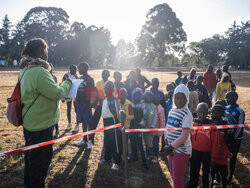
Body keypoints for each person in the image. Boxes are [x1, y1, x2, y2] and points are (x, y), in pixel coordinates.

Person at [19, 38, 72, 188]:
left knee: (31, 161)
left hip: (30, 122)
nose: (47, 52)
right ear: (40, 52)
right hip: (41, 126)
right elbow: (56, 93)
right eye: (45, 49)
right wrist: (67, 83)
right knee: (40, 164)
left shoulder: (25, 68)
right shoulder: (39, 71)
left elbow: (45, 89)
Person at [164, 84, 193, 188]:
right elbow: (167, 128)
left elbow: (184, 136)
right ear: (173, 98)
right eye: (177, 98)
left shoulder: (187, 114)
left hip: (182, 151)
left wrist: (171, 147)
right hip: (170, 149)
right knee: (173, 176)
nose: (179, 101)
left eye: (182, 98)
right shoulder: (172, 111)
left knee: (177, 179)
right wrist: (167, 143)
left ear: (187, 99)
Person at [187, 103, 213, 188]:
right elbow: (189, 137)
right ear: (196, 112)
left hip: (207, 152)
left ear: (207, 113)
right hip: (195, 152)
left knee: (206, 172)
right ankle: (192, 185)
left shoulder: (211, 125)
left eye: (204, 112)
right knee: (194, 171)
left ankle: (206, 185)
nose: (202, 114)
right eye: (200, 112)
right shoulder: (193, 123)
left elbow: (213, 139)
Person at [98, 81, 122, 170]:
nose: (107, 89)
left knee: (115, 142)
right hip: (106, 121)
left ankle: (117, 162)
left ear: (112, 89)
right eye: (106, 88)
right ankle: (106, 158)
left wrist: (119, 124)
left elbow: (119, 113)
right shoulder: (105, 98)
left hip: (113, 121)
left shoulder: (114, 100)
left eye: (109, 88)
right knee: (107, 140)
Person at [225, 91, 245, 186]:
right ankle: (223, 176)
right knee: (225, 158)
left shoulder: (239, 111)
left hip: (236, 139)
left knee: (232, 159)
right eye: (226, 98)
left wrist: (234, 139)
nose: (226, 100)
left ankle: (229, 178)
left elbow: (240, 126)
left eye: (228, 98)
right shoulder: (225, 108)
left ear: (234, 98)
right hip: (226, 138)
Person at [210, 105, 233, 188]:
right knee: (211, 174)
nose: (212, 114)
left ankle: (225, 184)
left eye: (214, 112)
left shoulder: (225, 124)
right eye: (212, 112)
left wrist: (230, 134)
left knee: (224, 173)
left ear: (222, 113)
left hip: (222, 155)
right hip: (212, 154)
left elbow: (229, 140)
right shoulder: (209, 123)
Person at [74, 62, 95, 149]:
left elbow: (92, 93)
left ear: (85, 69)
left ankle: (89, 141)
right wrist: (77, 103)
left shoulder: (90, 79)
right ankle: (84, 139)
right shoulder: (80, 78)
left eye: (80, 68)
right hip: (80, 104)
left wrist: (89, 104)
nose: (78, 70)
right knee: (83, 123)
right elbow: (77, 91)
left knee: (88, 123)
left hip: (87, 105)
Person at [130, 88, 148, 169]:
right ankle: (134, 157)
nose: (136, 97)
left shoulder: (143, 105)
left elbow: (145, 117)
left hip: (139, 127)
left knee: (140, 144)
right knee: (132, 142)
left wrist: (140, 125)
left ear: (140, 97)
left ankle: (144, 161)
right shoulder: (131, 104)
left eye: (138, 96)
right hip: (131, 126)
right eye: (134, 96)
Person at [90, 70, 110, 144]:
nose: (103, 75)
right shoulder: (98, 83)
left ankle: (106, 142)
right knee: (94, 123)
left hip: (107, 107)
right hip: (99, 106)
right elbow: (95, 93)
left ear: (108, 75)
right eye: (102, 74)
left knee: (106, 124)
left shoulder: (111, 84)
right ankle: (91, 138)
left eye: (105, 74)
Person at [63, 65, 79, 132]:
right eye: (73, 70)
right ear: (70, 69)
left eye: (75, 70)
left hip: (75, 95)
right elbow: (63, 84)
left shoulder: (76, 76)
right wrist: (64, 96)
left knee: (76, 109)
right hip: (68, 94)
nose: (75, 71)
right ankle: (69, 124)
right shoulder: (66, 75)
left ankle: (77, 124)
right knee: (68, 109)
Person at [143, 91, 157, 160]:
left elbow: (155, 117)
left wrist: (152, 126)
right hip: (142, 128)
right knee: (143, 141)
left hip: (150, 128)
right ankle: (144, 155)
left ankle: (149, 155)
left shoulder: (153, 106)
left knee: (149, 142)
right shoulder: (142, 104)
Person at [152, 92, 165, 163]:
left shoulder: (160, 109)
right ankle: (151, 155)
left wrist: (160, 131)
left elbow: (162, 121)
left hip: (156, 131)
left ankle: (155, 156)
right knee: (151, 144)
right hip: (151, 130)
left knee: (155, 144)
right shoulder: (152, 106)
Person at [49, 63, 60, 138]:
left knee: (54, 116)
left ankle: (57, 130)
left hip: (53, 99)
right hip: (48, 99)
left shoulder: (53, 77)